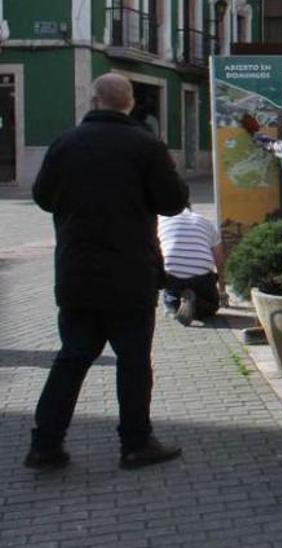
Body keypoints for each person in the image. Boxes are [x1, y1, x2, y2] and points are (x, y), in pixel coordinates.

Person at [27, 73, 188, 471]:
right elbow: (173, 203)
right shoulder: (146, 146)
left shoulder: (65, 144)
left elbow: (42, 198)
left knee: (72, 357)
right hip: (131, 274)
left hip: (76, 273)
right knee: (133, 361)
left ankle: (45, 445)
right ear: (130, 104)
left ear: (93, 100)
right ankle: (135, 443)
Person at [159, 206, 225, 326]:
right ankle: (196, 303)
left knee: (170, 296)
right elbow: (219, 259)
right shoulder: (205, 221)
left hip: (173, 273)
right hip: (202, 274)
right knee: (212, 305)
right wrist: (222, 290)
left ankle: (175, 305)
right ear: (190, 208)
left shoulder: (160, 220)